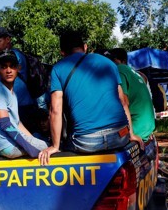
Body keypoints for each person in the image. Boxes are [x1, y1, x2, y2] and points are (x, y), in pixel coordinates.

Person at [39, 31, 136, 166]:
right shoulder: (109, 63)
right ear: (85, 47)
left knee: (66, 143)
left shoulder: (58, 69)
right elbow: (123, 101)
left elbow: (55, 110)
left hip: (88, 141)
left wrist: (55, 146)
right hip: (121, 135)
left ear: (62, 52)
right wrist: (131, 134)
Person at [0, 50, 48, 159]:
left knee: (41, 142)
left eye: (12, 66)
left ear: (18, 68)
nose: (8, 70)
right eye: (4, 67)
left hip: (12, 141)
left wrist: (32, 140)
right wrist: (30, 147)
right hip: (7, 146)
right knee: (49, 147)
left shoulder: (12, 93)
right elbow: (5, 124)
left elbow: (17, 124)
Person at [0, 27, 40, 131]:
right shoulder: (15, 54)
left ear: (8, 39)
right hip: (23, 103)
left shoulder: (13, 56)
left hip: (21, 105)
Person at [107, 48, 156, 145]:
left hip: (137, 128)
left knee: (102, 137)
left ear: (122, 61)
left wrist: (131, 134)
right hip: (147, 127)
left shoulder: (119, 69)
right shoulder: (134, 73)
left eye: (113, 60)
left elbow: (123, 102)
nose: (110, 63)